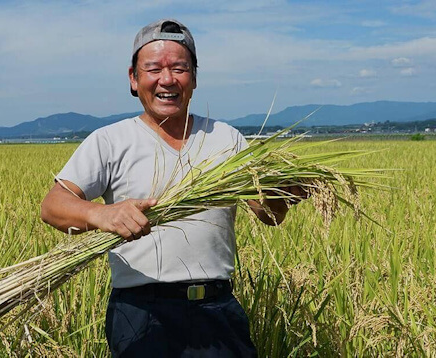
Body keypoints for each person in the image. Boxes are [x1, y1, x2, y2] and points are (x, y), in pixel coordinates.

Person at [41, 19, 306, 357]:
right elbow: (53, 205)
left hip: (216, 310)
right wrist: (101, 213)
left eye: (179, 68)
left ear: (194, 78)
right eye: (153, 69)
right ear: (134, 80)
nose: (167, 79)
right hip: (141, 314)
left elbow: (268, 214)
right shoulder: (110, 141)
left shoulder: (227, 140)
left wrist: (280, 194)